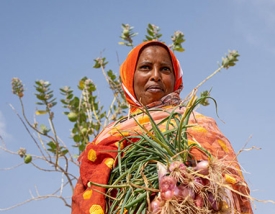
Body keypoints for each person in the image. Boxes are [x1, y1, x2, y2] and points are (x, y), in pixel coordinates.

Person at [71, 41, 253, 214]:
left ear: (175, 79)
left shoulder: (197, 124)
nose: (156, 75)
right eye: (145, 67)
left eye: (165, 69)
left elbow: (230, 186)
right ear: (129, 77)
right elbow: (90, 193)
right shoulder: (111, 134)